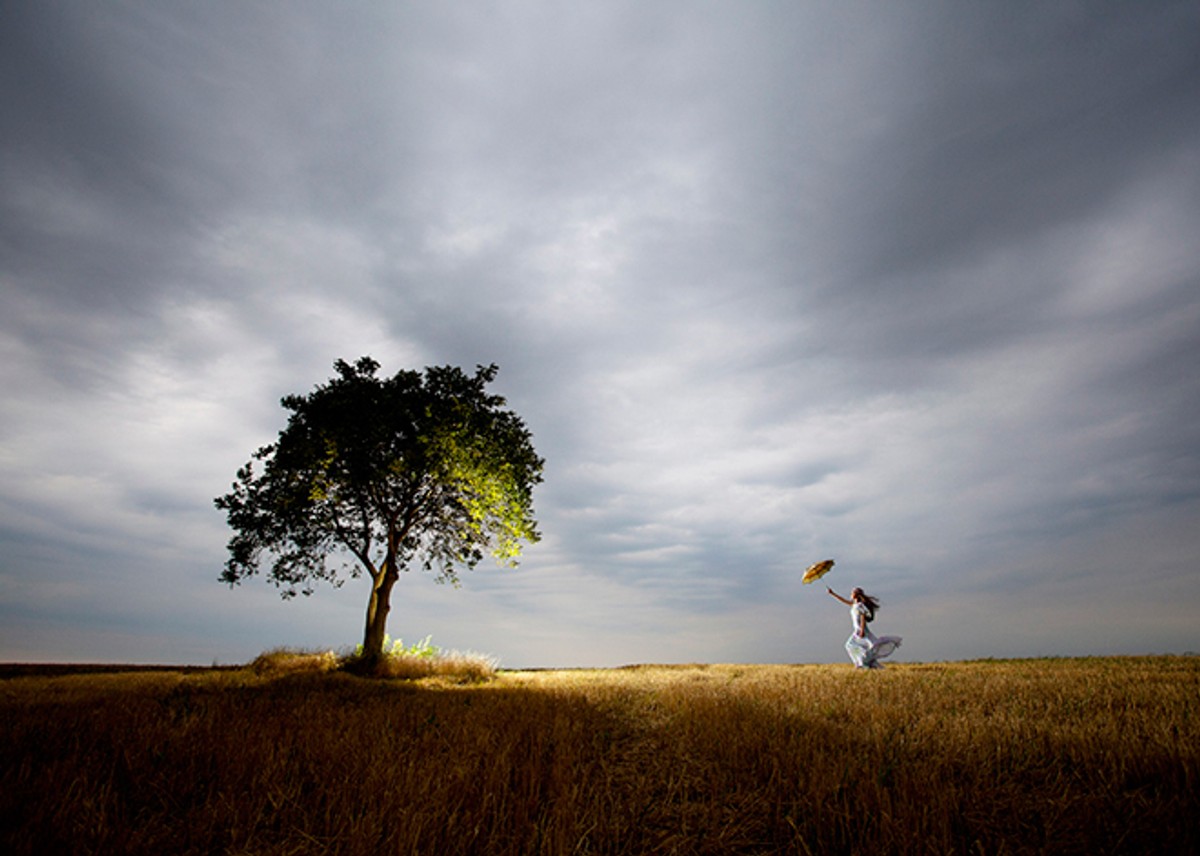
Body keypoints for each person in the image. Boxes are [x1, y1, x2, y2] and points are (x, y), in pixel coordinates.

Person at [826, 586, 902, 669]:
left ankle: (862, 663)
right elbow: (843, 600)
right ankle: (863, 662)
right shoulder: (854, 604)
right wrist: (832, 593)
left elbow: (863, 618)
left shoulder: (860, 605)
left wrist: (862, 630)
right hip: (857, 630)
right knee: (852, 646)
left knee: (852, 645)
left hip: (861, 630)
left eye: (852, 592)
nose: (851, 594)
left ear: (856, 595)